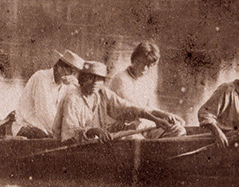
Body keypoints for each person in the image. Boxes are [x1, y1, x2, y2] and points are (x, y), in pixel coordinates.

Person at [55, 61, 183, 143]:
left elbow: (129, 108)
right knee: (132, 137)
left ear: (103, 82)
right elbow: (70, 134)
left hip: (101, 137)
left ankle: (159, 144)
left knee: (138, 124)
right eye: (90, 78)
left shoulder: (102, 93)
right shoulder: (73, 98)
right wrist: (93, 131)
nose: (94, 83)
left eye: (98, 79)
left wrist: (156, 118)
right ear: (82, 79)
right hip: (82, 143)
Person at [14, 50, 83, 138]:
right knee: (46, 137)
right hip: (28, 125)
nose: (71, 75)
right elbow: (44, 114)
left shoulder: (68, 84)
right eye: (70, 71)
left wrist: (77, 86)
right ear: (59, 67)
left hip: (48, 129)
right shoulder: (41, 78)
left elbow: (75, 108)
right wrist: (62, 133)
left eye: (74, 73)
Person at [108, 41, 161, 107]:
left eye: (149, 65)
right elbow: (131, 108)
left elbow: (151, 107)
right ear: (135, 59)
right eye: (143, 63)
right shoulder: (120, 79)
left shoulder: (148, 83)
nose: (145, 68)